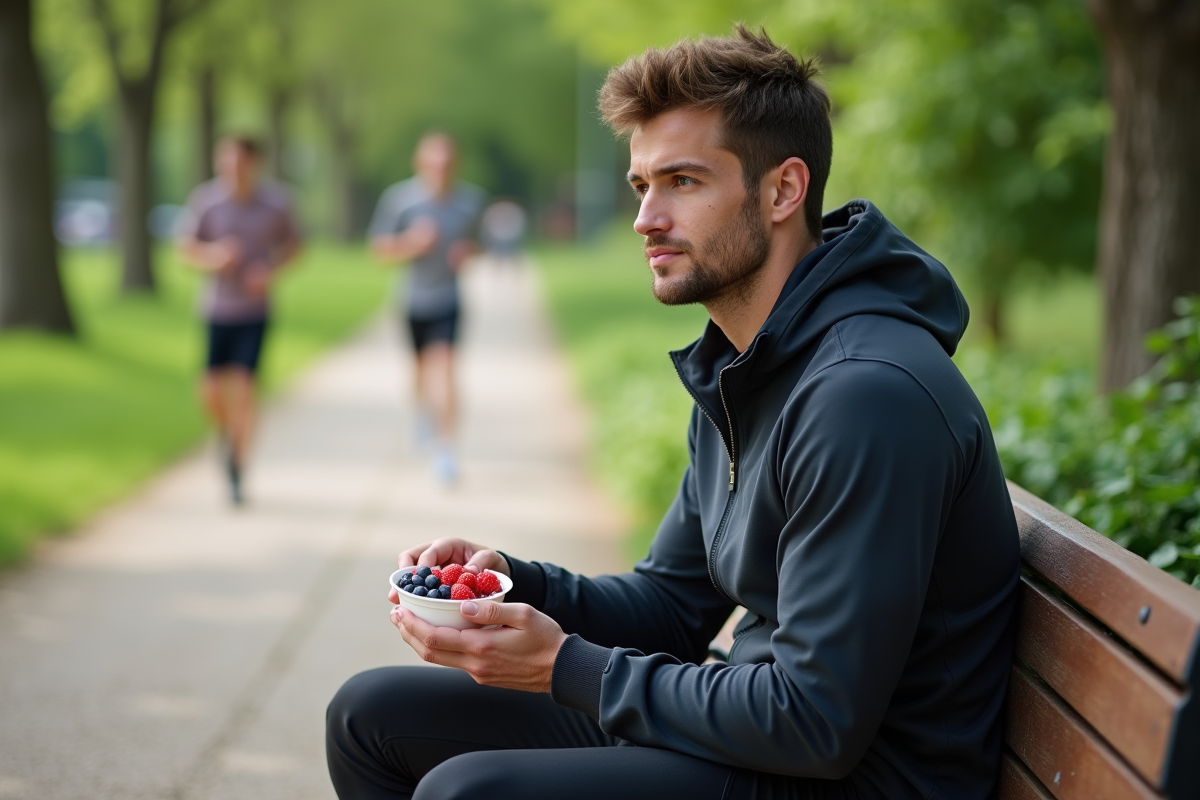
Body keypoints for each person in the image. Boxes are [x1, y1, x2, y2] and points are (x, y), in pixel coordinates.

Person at [327, 27, 1020, 800]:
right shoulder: (745, 363)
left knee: (470, 792)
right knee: (371, 713)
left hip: (858, 777)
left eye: (682, 182)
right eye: (640, 185)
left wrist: (563, 666)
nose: (645, 218)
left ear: (783, 190)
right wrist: (519, 587)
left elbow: (816, 719)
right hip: (769, 739)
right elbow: (672, 606)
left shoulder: (866, 395)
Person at [178, 135, 301, 505]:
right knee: (211, 392)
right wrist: (213, 256)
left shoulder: (276, 204)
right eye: (226, 163)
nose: (233, 170)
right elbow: (185, 248)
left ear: (254, 164)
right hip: (216, 309)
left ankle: (237, 467)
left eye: (240, 163)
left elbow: (295, 245)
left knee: (245, 389)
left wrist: (269, 270)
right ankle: (229, 435)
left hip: (254, 311)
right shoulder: (206, 201)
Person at [368, 133, 485, 484]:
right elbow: (379, 250)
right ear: (420, 164)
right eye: (434, 163)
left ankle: (446, 449)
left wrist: (469, 252)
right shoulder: (400, 201)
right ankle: (422, 414)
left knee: (445, 367)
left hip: (449, 300)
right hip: (411, 300)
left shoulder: (470, 202)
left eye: (447, 164)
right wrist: (411, 243)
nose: (441, 170)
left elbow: (480, 244)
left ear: (455, 165)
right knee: (419, 371)